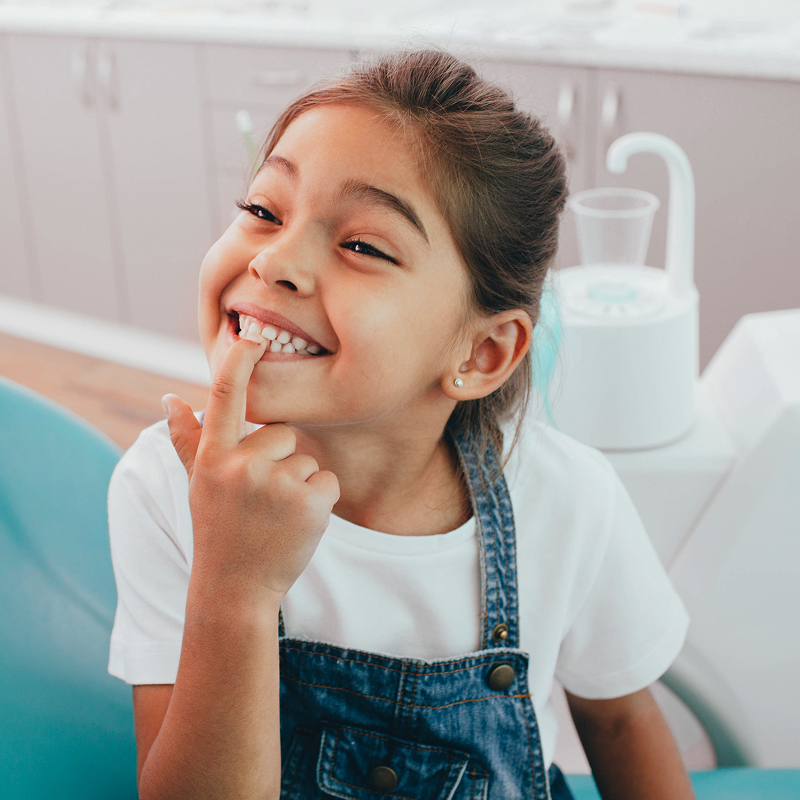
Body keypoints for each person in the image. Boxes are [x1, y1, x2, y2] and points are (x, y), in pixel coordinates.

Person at [107, 49, 695, 800]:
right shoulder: (165, 486)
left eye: (362, 245)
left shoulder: (571, 499)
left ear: (482, 353)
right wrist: (234, 588)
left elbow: (619, 724)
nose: (275, 260)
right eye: (263, 209)